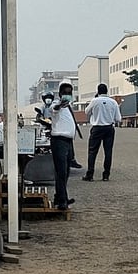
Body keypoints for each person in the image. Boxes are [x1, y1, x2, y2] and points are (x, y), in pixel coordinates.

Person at [49, 81, 79, 210]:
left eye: (69, 93)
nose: (67, 95)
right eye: (65, 93)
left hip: (68, 141)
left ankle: (60, 196)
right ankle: (62, 201)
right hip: (59, 140)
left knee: (66, 171)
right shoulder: (57, 104)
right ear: (60, 94)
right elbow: (53, 109)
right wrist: (60, 105)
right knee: (61, 171)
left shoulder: (68, 107)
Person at [82, 83, 122, 182]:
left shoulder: (95, 101)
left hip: (97, 128)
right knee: (108, 152)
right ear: (107, 91)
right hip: (109, 128)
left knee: (92, 152)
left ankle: (90, 174)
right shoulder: (113, 102)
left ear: (98, 91)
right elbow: (118, 118)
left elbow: (86, 111)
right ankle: (106, 175)